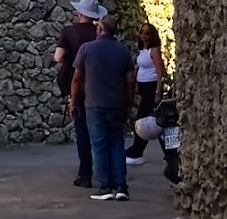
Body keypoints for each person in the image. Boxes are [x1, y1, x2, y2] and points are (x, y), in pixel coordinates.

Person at [71, 13, 135, 202]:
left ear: (99, 29)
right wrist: (129, 102)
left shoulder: (86, 49)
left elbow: (76, 78)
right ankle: (121, 185)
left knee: (99, 144)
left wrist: (74, 101)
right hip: (117, 103)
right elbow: (130, 80)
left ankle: (105, 185)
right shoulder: (123, 51)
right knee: (117, 142)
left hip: (94, 103)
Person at [54, 0, 105, 187]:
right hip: (99, 84)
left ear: (79, 13)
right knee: (101, 132)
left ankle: (85, 173)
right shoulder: (99, 33)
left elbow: (58, 57)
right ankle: (105, 174)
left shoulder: (68, 32)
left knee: (82, 131)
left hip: (77, 86)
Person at [125, 22, 167, 164]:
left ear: (152, 35)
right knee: (155, 121)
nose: (144, 35)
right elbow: (141, 70)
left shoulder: (154, 50)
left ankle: (137, 151)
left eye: (147, 33)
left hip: (151, 86)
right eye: (142, 32)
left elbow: (160, 71)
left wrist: (158, 91)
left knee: (142, 120)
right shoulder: (143, 49)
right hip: (143, 86)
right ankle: (168, 152)